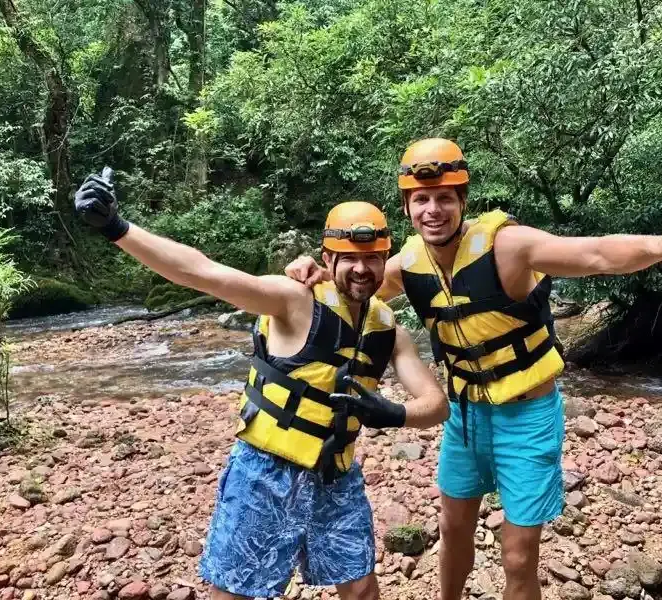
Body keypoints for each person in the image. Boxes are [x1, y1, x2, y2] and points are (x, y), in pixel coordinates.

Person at [284, 138, 662, 600]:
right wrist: (310, 271)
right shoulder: (408, 263)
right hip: (465, 417)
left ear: (463, 201)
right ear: (407, 207)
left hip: (527, 414)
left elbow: (595, 255)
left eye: (444, 198)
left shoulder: (507, 245)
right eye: (421, 200)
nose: (433, 210)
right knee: (452, 527)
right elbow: (352, 287)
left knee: (517, 556)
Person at [73, 170, 449, 600]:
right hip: (266, 471)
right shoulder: (292, 299)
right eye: (350, 258)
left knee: (361, 587)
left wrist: (393, 413)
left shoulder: (389, 329)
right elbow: (201, 272)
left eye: (373, 259)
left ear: (386, 261)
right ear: (328, 260)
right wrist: (117, 229)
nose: (362, 269)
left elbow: (436, 404)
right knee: (235, 592)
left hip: (336, 475)